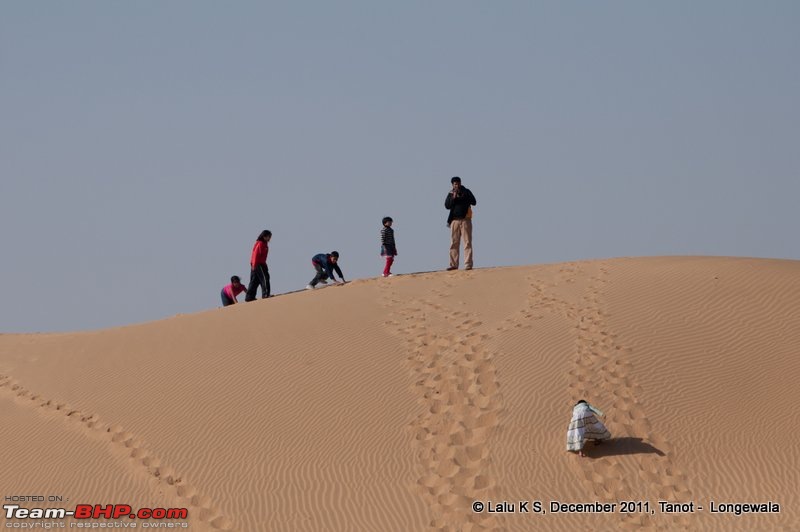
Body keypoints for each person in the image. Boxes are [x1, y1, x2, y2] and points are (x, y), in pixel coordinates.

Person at [444, 176, 477, 270]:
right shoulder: (450, 194)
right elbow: (447, 206)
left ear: (460, 183)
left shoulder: (466, 191)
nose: (456, 185)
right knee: (454, 243)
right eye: (455, 184)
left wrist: (462, 195)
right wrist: (453, 197)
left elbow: (474, 202)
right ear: (452, 185)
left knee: (467, 242)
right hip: (454, 221)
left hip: (465, 220)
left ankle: (468, 264)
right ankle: (453, 265)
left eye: (458, 183)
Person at [245, 230, 272, 301]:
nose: (270, 238)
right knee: (265, 278)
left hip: (261, 264)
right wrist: (254, 265)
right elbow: (255, 255)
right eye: (269, 236)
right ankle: (266, 294)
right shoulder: (260, 243)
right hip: (257, 264)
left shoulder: (264, 244)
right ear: (264, 236)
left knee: (255, 281)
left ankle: (249, 297)